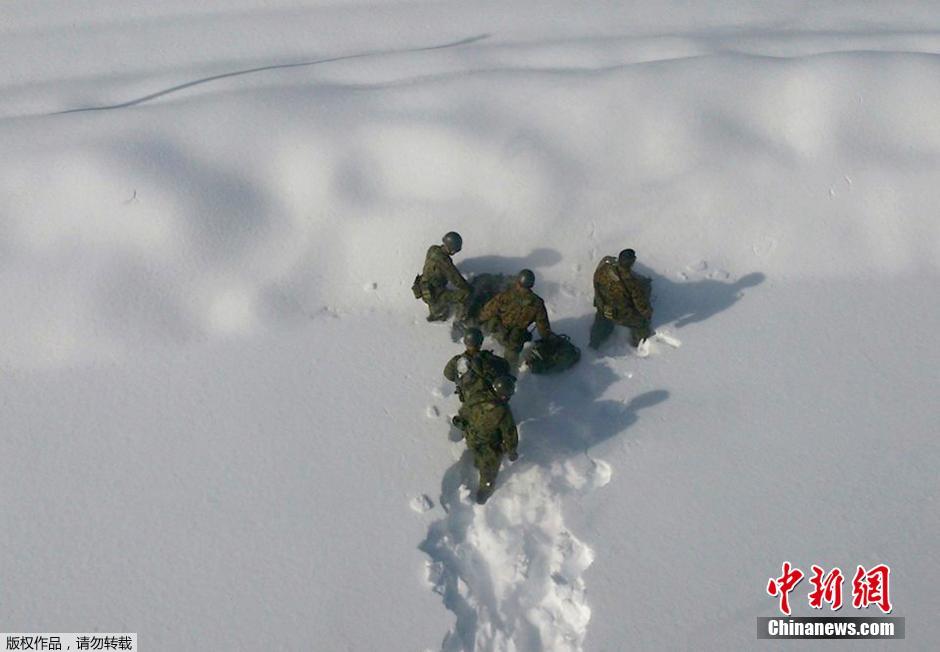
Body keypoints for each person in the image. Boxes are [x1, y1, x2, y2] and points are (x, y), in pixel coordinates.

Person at [452, 375, 518, 504]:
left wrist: (462, 422)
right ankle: (484, 493)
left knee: (477, 453)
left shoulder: (477, 397)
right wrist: (512, 451)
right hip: (488, 445)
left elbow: (464, 411)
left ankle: (477, 461)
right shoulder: (502, 411)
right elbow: (510, 434)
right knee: (489, 471)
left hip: (471, 436)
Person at [478, 269, 552, 365]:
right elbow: (543, 326)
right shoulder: (537, 303)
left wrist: (480, 320)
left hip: (499, 332)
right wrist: (547, 339)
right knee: (511, 360)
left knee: (491, 321)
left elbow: (489, 310)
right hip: (516, 340)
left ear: (518, 282)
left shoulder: (506, 295)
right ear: (532, 285)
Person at [589, 248, 653, 349]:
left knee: (601, 322)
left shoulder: (604, 269)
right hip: (621, 315)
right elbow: (641, 306)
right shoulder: (633, 284)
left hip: (603, 306)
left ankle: (594, 342)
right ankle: (638, 343)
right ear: (632, 262)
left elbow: (596, 281)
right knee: (642, 323)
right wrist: (648, 314)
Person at [412, 231, 471, 322]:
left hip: (424, 287)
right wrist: (469, 288)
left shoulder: (433, 249)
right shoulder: (444, 262)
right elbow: (457, 280)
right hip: (436, 295)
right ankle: (459, 320)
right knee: (466, 294)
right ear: (452, 249)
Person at [443, 328, 512, 404]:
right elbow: (506, 367)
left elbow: (448, 374)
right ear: (480, 342)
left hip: (468, 402)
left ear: (465, 342)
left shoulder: (456, 361)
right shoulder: (490, 359)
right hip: (491, 402)